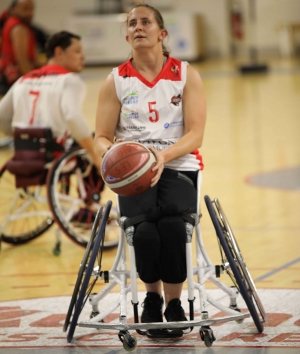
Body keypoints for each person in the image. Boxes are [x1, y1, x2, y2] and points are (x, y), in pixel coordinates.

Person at [94, 4, 206, 334]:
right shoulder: (115, 80)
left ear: (162, 33)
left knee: (172, 228)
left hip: (178, 163)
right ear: (127, 35)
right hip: (132, 170)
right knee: (142, 231)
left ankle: (174, 304)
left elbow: (196, 133)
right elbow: (100, 137)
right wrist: (114, 151)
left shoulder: (186, 74)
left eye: (146, 22)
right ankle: (152, 299)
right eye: (132, 23)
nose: (138, 27)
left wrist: (163, 156)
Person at [0, 30, 100, 172]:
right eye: (77, 51)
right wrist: (95, 156)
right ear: (59, 53)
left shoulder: (23, 80)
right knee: (95, 140)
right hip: (55, 155)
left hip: (24, 153)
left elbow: (2, 116)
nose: (83, 57)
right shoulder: (69, 80)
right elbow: (73, 117)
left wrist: (22, 137)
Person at [0, 0, 40, 94]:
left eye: (32, 9)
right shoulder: (18, 27)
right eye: (25, 9)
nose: (30, 13)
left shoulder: (11, 23)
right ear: (13, 9)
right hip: (17, 80)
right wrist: (35, 83)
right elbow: (22, 60)